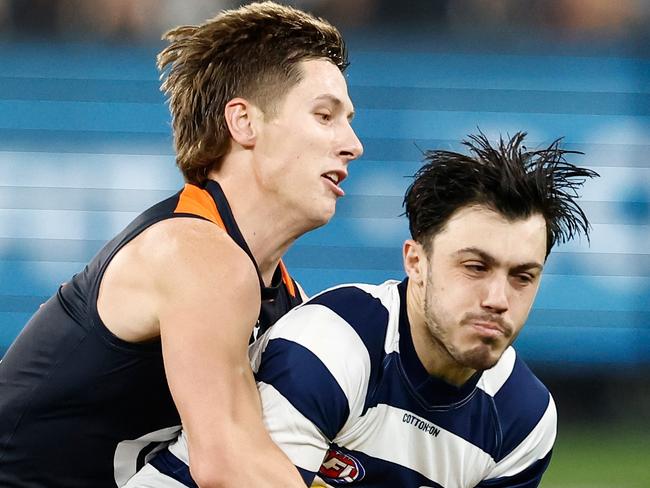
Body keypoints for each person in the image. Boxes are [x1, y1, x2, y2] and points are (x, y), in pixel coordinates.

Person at [0, 2, 363, 487]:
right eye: (325, 115)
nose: (353, 143)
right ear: (244, 123)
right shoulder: (195, 251)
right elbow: (227, 466)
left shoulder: (283, 301)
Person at [127, 131, 597, 487]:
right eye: (475, 267)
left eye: (522, 276)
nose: (498, 299)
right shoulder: (334, 345)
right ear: (416, 261)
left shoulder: (525, 418)